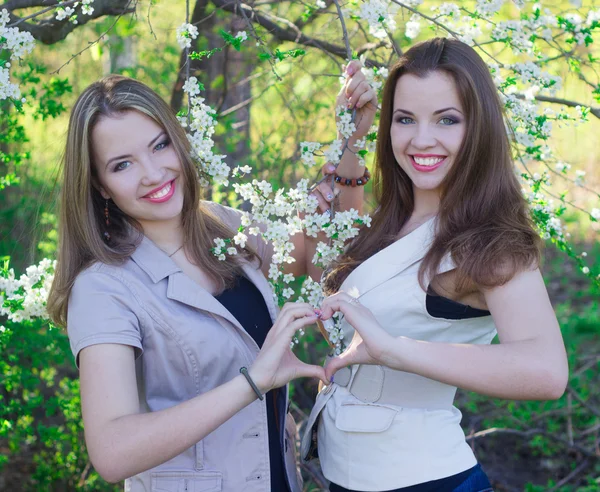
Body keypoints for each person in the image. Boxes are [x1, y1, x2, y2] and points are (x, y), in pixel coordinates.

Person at [46, 62, 377, 492]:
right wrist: (253, 382)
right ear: (100, 186)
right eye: (122, 164)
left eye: (160, 145)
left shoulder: (221, 226)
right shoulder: (103, 287)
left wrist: (348, 143)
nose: (152, 173)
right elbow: (113, 452)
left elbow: (327, 259)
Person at [301, 37, 568, 492]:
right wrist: (350, 138)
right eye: (405, 119)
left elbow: (546, 371)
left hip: (424, 478)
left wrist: (395, 349)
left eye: (447, 120)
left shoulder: (487, 241)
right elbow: (337, 278)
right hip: (343, 473)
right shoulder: (393, 219)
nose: (422, 140)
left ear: (478, 127)